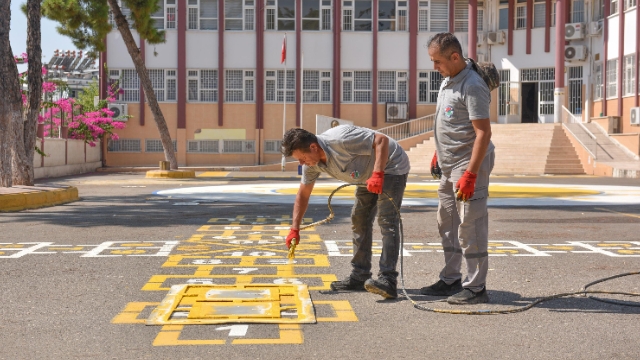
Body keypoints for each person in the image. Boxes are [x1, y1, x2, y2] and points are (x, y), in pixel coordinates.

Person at [281, 125, 410, 299]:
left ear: (313, 147)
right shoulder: (311, 165)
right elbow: (303, 194)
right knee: (359, 219)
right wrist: (294, 228)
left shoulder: (341, 139)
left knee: (387, 220)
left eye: (302, 158)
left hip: (390, 165)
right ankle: (359, 276)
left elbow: (381, 140)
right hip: (365, 175)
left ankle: (388, 280)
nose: (301, 164)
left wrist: (378, 174)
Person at [420, 33, 495, 305]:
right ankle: (450, 279)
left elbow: (483, 134)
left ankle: (476, 287)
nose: (434, 67)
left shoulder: (472, 85)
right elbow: (448, 124)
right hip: (449, 164)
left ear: (454, 57)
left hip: (467, 165)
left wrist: (471, 174)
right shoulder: (447, 81)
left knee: (470, 226)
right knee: (447, 224)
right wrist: (437, 153)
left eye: (437, 61)